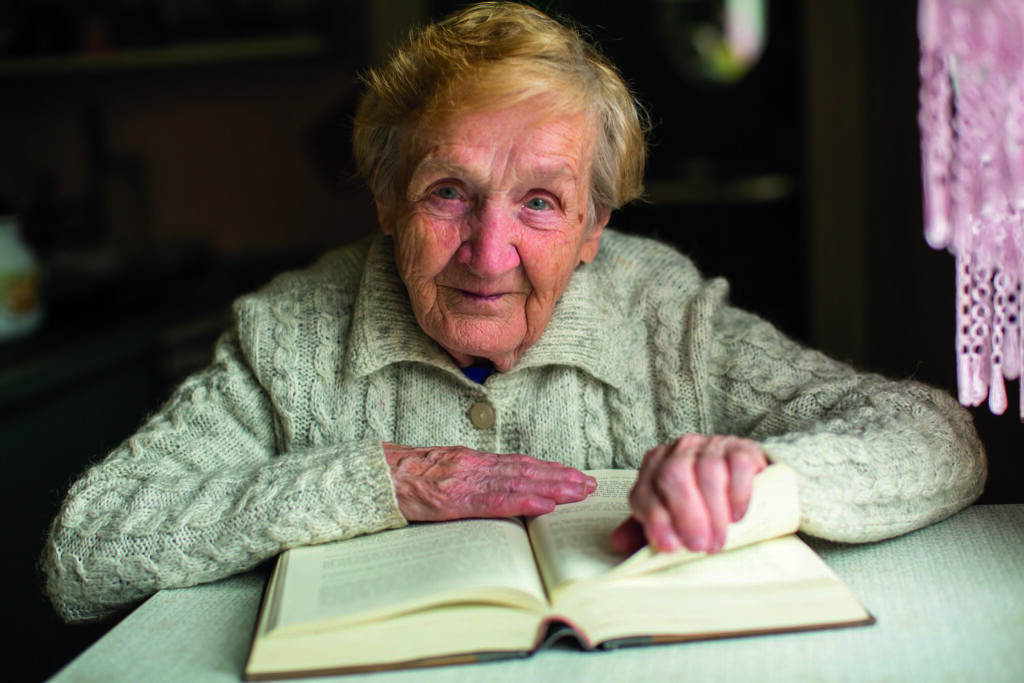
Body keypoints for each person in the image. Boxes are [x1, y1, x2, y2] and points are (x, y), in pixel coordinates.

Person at [42, 1, 986, 624]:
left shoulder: (662, 315)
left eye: (540, 202)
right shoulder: (295, 335)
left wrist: (764, 478)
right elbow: (84, 551)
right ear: (387, 200)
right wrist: (382, 480)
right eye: (448, 192)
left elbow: (938, 438)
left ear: (592, 227)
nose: (489, 254)